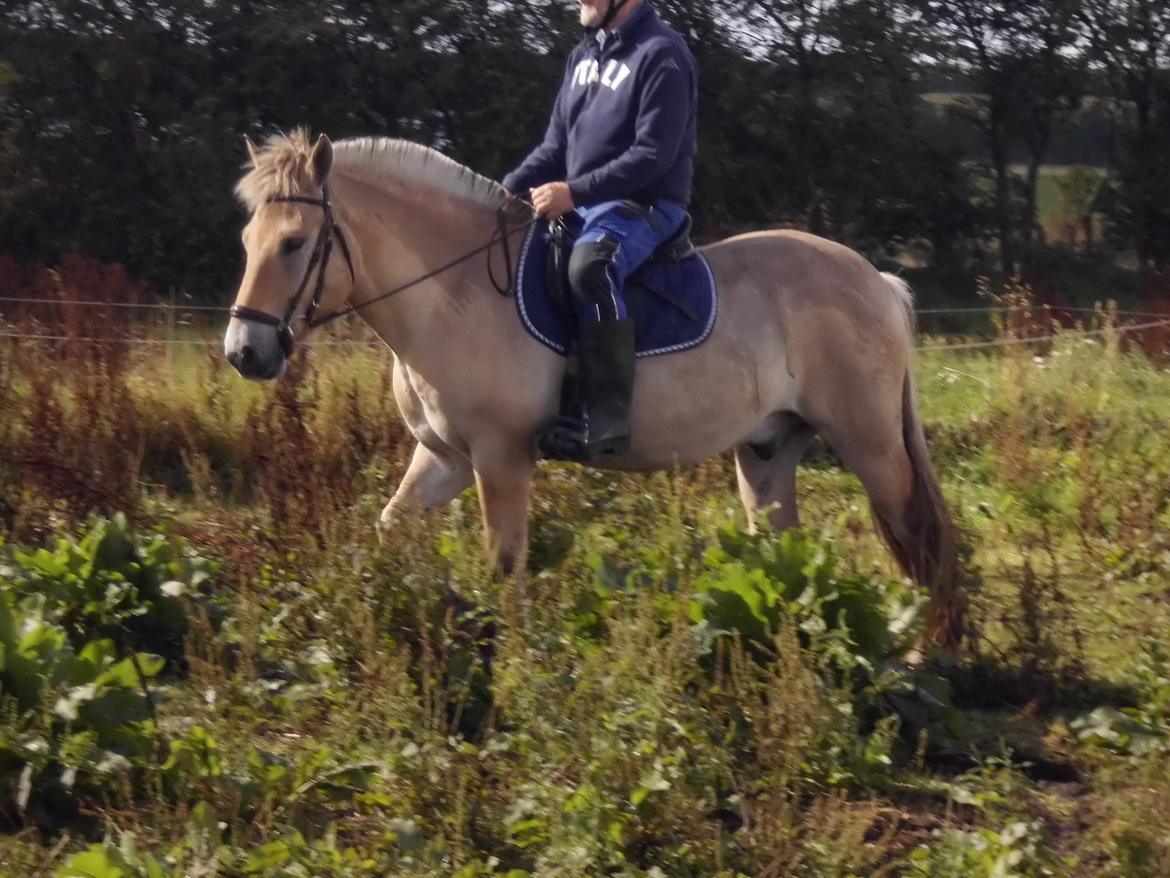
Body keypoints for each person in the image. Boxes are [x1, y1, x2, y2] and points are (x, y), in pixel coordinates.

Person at [503, 0, 698, 462]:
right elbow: (555, 147)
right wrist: (501, 193)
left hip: (647, 202)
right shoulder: (582, 56)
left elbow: (653, 154)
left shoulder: (663, 54)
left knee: (592, 265)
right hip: (586, 201)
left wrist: (574, 192)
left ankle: (602, 420)